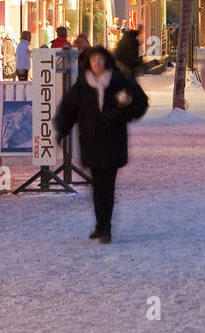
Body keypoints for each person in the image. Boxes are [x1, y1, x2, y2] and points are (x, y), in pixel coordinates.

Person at [55, 46, 149, 243]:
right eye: (93, 59)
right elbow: (68, 109)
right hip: (91, 141)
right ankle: (101, 225)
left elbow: (141, 101)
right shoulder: (82, 84)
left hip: (113, 141)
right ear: (88, 62)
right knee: (98, 186)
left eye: (100, 59)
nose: (97, 63)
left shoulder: (119, 80)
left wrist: (123, 114)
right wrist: (62, 130)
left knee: (107, 186)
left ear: (106, 60)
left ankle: (105, 228)